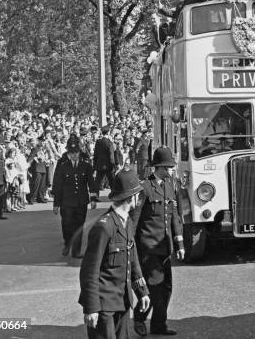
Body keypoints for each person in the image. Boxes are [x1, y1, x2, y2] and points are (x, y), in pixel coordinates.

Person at [79, 170, 150, 339]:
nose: (140, 199)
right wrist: (91, 308)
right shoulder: (104, 227)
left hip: (122, 301)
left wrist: (142, 290)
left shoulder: (127, 222)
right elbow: (89, 271)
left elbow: (132, 260)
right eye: (138, 195)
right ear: (131, 197)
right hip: (103, 306)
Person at [131, 148, 184, 336]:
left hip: (165, 246)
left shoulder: (170, 186)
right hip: (148, 247)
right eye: (169, 167)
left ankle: (159, 324)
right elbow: (134, 221)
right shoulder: (144, 187)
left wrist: (180, 244)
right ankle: (139, 317)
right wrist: (131, 248)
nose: (171, 171)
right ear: (159, 167)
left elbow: (174, 216)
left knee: (167, 288)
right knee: (154, 288)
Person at [53, 135, 98, 257]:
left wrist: (93, 199)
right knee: (67, 225)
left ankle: (76, 251)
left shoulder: (86, 164)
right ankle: (68, 243)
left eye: (76, 152)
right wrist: (56, 204)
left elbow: (91, 183)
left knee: (79, 226)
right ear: (68, 152)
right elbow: (57, 185)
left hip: (81, 201)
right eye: (72, 152)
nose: (74, 155)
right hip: (66, 202)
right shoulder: (62, 165)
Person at [94, 125, 115, 190]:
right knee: (112, 181)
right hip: (108, 165)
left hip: (99, 164)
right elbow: (111, 155)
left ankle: (94, 197)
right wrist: (113, 165)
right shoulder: (109, 142)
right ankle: (114, 196)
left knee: (97, 182)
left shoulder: (98, 142)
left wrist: (94, 164)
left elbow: (95, 155)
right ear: (108, 133)